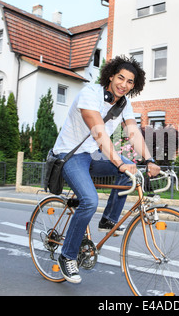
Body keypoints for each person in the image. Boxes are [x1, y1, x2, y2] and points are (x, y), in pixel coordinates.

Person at [52, 56, 160, 283]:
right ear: (110, 76)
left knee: (131, 173)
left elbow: (133, 133)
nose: (124, 84)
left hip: (95, 155)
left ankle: (108, 220)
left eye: (130, 81)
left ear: (134, 85)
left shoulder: (124, 104)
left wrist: (149, 160)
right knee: (90, 200)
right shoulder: (90, 94)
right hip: (71, 154)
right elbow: (99, 133)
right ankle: (67, 256)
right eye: (121, 77)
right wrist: (119, 162)